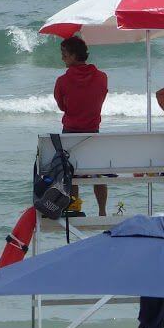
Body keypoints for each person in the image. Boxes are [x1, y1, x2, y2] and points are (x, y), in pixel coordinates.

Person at [53, 36, 109, 216]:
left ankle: (75, 208)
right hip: (93, 133)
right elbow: (100, 98)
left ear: (74, 55)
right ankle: (102, 211)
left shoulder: (62, 81)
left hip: (70, 133)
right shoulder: (102, 77)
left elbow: (62, 106)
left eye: (64, 54)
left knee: (71, 174)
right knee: (97, 172)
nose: (62, 58)